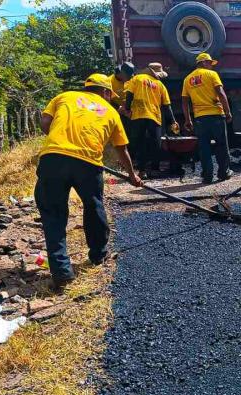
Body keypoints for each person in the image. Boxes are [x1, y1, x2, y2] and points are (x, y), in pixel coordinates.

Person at [35, 73, 143, 289]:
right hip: (88, 163)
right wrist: (132, 176)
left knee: (53, 215)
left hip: (53, 158)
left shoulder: (64, 97)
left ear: (87, 87)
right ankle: (98, 255)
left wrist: (61, 138)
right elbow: (121, 149)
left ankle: (62, 272)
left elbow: (45, 123)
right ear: (105, 92)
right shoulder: (111, 112)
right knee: (93, 206)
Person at [181, 52, 233, 184]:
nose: (211, 65)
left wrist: (188, 120)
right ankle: (223, 173)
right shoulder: (212, 75)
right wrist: (227, 112)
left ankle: (208, 175)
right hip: (216, 115)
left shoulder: (188, 79)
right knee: (221, 145)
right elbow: (221, 93)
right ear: (203, 62)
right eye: (209, 63)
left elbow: (184, 101)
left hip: (200, 118)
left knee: (204, 148)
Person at [125, 62, 178, 177]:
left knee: (140, 143)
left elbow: (129, 94)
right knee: (156, 143)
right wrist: (173, 121)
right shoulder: (160, 85)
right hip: (154, 117)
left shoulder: (137, 78)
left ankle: (142, 170)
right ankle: (155, 168)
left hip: (138, 115)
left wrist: (127, 109)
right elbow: (167, 106)